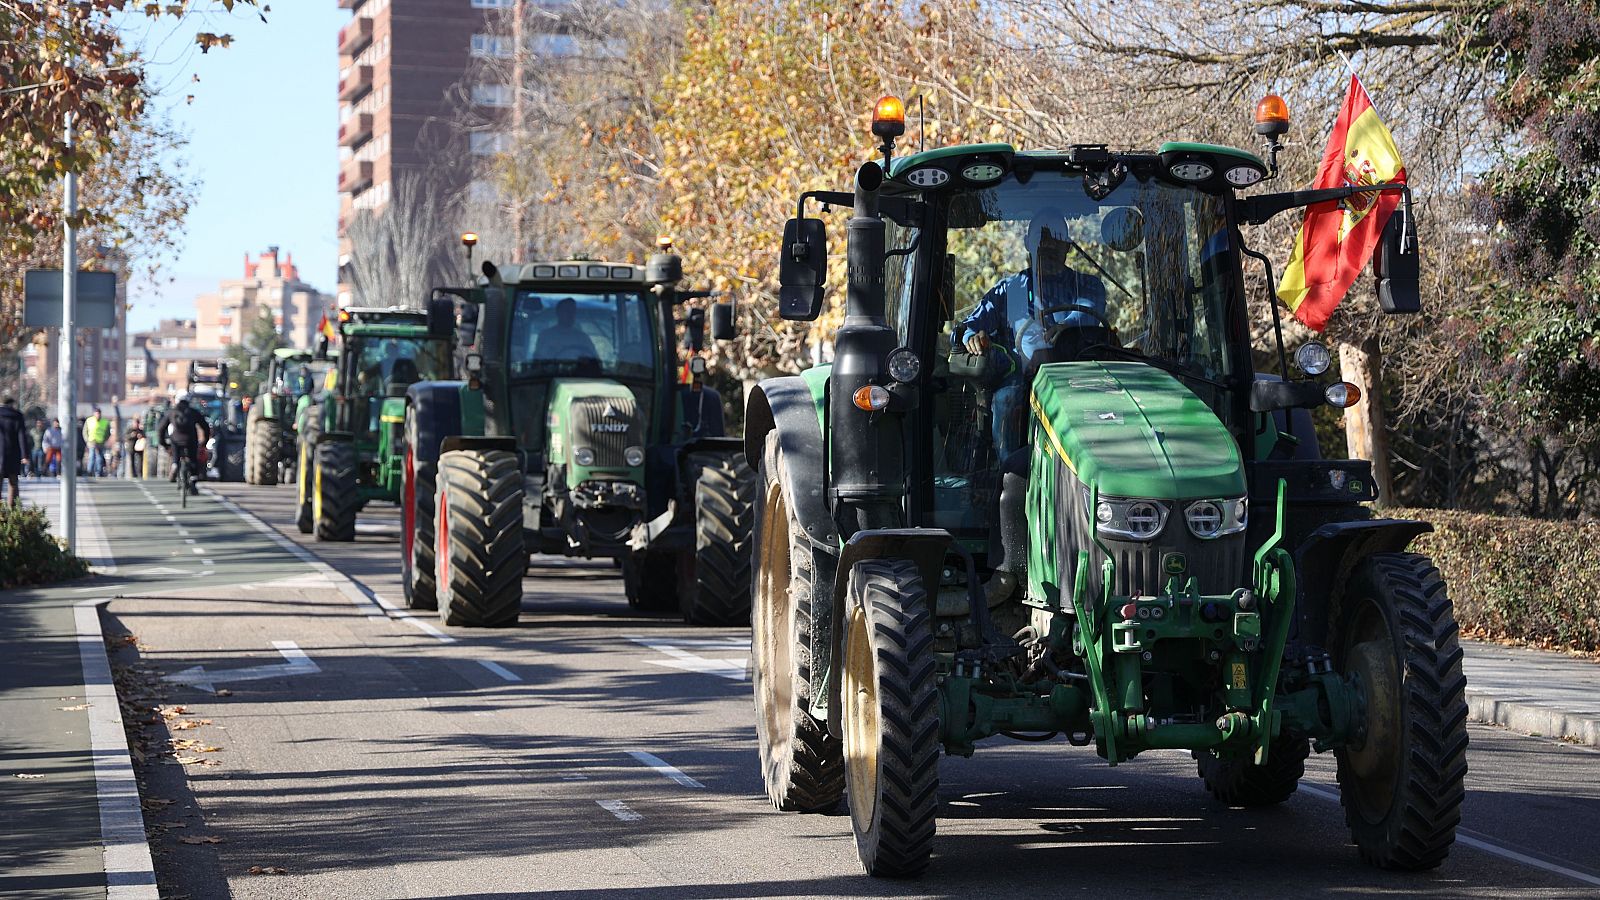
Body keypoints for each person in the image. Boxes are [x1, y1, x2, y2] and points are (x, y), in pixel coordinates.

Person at [954, 209, 1109, 460]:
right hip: (1024, 380)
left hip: (1080, 377)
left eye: (1055, 239)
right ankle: (1008, 470)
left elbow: (1090, 310)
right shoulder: (1010, 290)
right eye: (1041, 238)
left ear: (1067, 246)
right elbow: (967, 326)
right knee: (1004, 400)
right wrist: (970, 336)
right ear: (1028, 244)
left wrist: (1068, 326)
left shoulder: (1088, 285)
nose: (1048, 246)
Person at [159, 397, 210, 494]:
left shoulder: (172, 412)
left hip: (175, 440)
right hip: (191, 440)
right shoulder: (194, 412)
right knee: (193, 460)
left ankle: (174, 465)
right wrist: (204, 442)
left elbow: (161, 429)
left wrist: (164, 444)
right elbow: (205, 427)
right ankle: (193, 482)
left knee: (176, 456)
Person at [532, 298, 599, 361]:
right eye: (567, 310)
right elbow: (538, 361)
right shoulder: (545, 336)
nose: (570, 314)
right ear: (558, 313)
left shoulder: (583, 338)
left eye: (573, 311)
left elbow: (594, 362)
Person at [0, 397, 29, 506]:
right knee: (13, 484)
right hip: (13, 455)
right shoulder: (17, 416)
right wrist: (25, 455)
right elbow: (22, 436)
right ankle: (12, 512)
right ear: (12, 404)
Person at [83, 407, 110, 477]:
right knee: (91, 457)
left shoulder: (105, 422)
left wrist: (104, 440)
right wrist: (87, 441)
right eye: (96, 413)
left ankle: (98, 472)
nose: (97, 415)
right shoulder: (89, 420)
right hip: (92, 442)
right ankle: (89, 472)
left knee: (99, 458)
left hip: (100, 443)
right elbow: (85, 432)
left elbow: (107, 433)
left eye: (98, 413)